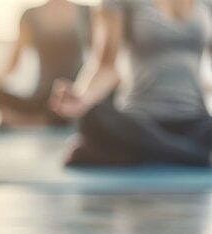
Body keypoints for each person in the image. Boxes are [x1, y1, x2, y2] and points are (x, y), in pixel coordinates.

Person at [50, 0, 211, 167]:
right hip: (138, 123)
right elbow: (105, 66)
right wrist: (81, 98)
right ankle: (198, 156)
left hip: (195, 122)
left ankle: (139, 153)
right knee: (93, 117)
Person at [0, 0, 91, 130]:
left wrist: (86, 95)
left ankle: (29, 121)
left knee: (92, 105)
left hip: (74, 97)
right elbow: (11, 66)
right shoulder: (30, 16)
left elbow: (101, 64)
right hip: (41, 99)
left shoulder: (87, 13)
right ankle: (40, 120)